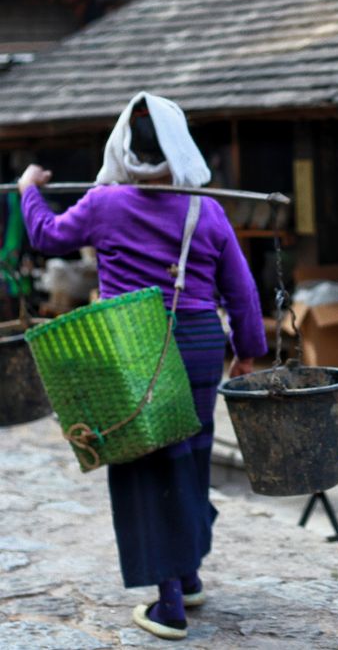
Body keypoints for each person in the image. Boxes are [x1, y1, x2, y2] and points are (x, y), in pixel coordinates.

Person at [18, 92, 267, 641]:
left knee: (144, 465)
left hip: (132, 349)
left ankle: (170, 603)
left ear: (124, 150)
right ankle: (191, 573)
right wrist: (246, 351)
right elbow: (243, 291)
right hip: (201, 343)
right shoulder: (208, 208)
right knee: (189, 457)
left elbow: (47, 235)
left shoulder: (104, 203)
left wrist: (28, 191)